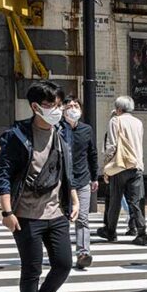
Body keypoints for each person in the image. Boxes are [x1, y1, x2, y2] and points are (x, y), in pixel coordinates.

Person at [0, 80, 79, 292]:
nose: (57, 110)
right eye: (50, 105)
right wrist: (7, 212)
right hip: (26, 215)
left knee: (64, 264)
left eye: (59, 105)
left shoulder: (62, 132)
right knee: (31, 270)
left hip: (56, 213)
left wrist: (74, 198)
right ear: (35, 107)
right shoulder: (17, 135)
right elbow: (4, 174)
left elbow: (67, 170)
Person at [98, 96, 147, 245]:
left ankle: (111, 232)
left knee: (115, 200)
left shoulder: (115, 121)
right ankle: (142, 233)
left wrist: (106, 166)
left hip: (120, 166)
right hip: (136, 165)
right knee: (136, 201)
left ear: (118, 108)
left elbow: (112, 146)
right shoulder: (138, 122)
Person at [61, 97, 99, 269]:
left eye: (76, 106)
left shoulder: (86, 130)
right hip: (62, 181)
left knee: (82, 218)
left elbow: (92, 153)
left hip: (83, 178)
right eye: (69, 106)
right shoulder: (58, 129)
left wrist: (95, 176)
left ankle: (83, 253)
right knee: (61, 219)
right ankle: (61, 254)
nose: (73, 109)